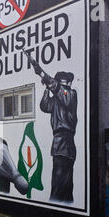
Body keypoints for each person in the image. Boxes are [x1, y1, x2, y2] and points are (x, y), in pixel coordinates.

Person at [27, 52, 78, 203]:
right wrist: (46, 89)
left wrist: (42, 73)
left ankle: (58, 204)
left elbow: (60, 91)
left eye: (59, 84)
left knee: (60, 184)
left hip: (65, 142)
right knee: (62, 183)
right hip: (59, 143)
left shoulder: (70, 95)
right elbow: (44, 106)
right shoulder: (58, 99)